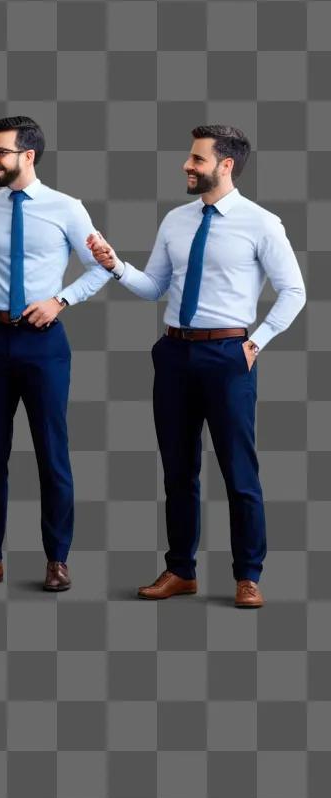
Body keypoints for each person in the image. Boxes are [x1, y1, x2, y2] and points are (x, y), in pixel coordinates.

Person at [87, 125, 305, 608]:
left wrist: (257, 342)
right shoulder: (176, 220)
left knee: (239, 471)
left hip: (228, 357)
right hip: (174, 354)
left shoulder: (261, 223)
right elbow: (155, 287)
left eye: (197, 159)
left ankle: (248, 575)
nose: (187, 166)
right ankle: (180, 570)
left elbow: (295, 291)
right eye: (190, 158)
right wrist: (114, 265)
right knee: (177, 470)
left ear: (225, 165)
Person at [0, 115, 110, 593]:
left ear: (28, 155)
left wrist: (61, 300)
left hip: (44, 343)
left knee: (52, 454)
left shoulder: (67, 208)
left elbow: (102, 267)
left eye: (0, 152)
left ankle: (57, 560)